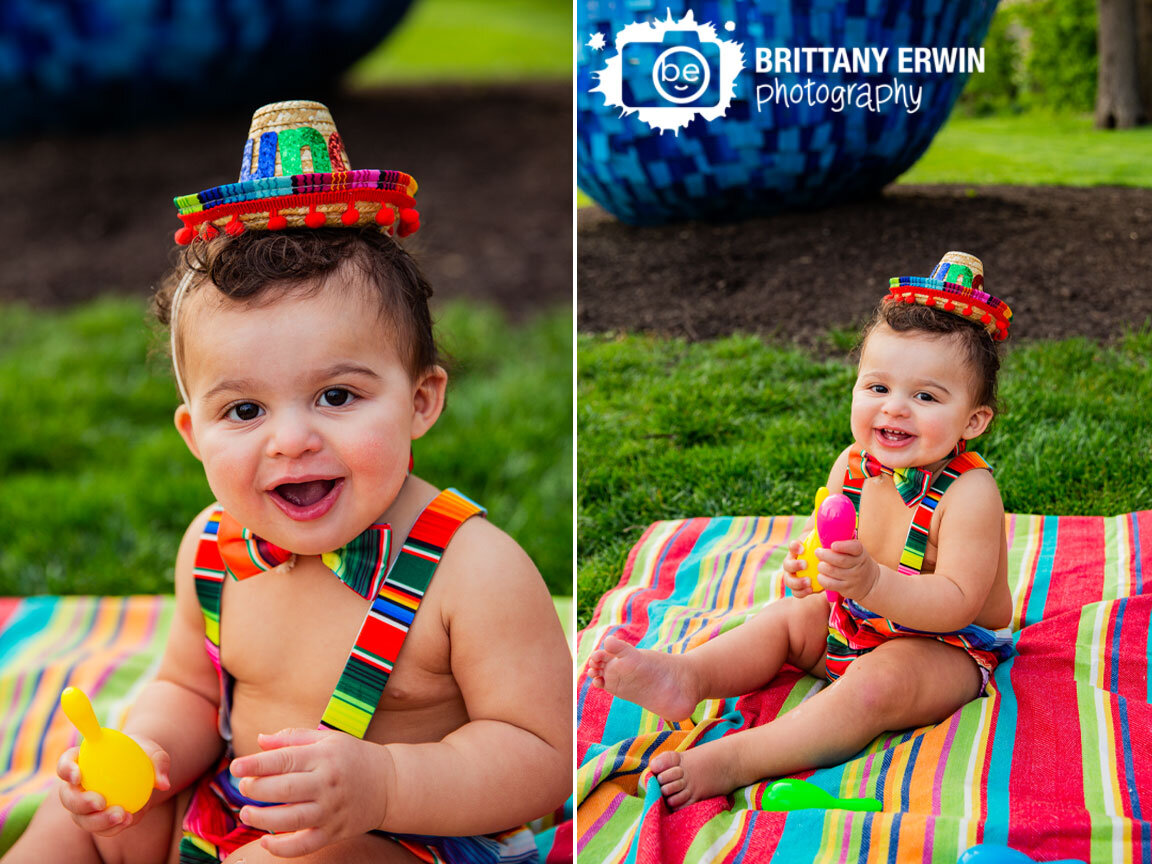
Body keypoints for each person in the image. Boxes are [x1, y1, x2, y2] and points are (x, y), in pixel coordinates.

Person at [4, 101, 571, 864]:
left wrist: (385, 782)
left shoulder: (474, 573)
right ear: (193, 434)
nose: (292, 440)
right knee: (84, 823)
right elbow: (193, 693)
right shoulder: (212, 550)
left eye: (337, 396)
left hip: (409, 836)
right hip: (232, 815)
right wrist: (141, 756)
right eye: (243, 409)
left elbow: (539, 757)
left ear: (421, 401)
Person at [587, 251, 1015, 808]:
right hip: (853, 623)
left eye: (926, 396)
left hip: (945, 649)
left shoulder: (970, 494)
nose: (895, 409)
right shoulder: (853, 466)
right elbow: (832, 557)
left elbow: (959, 602)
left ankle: (739, 758)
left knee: (875, 686)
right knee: (786, 620)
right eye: (877, 387)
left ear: (974, 420)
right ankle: (688, 675)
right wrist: (813, 574)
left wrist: (869, 583)